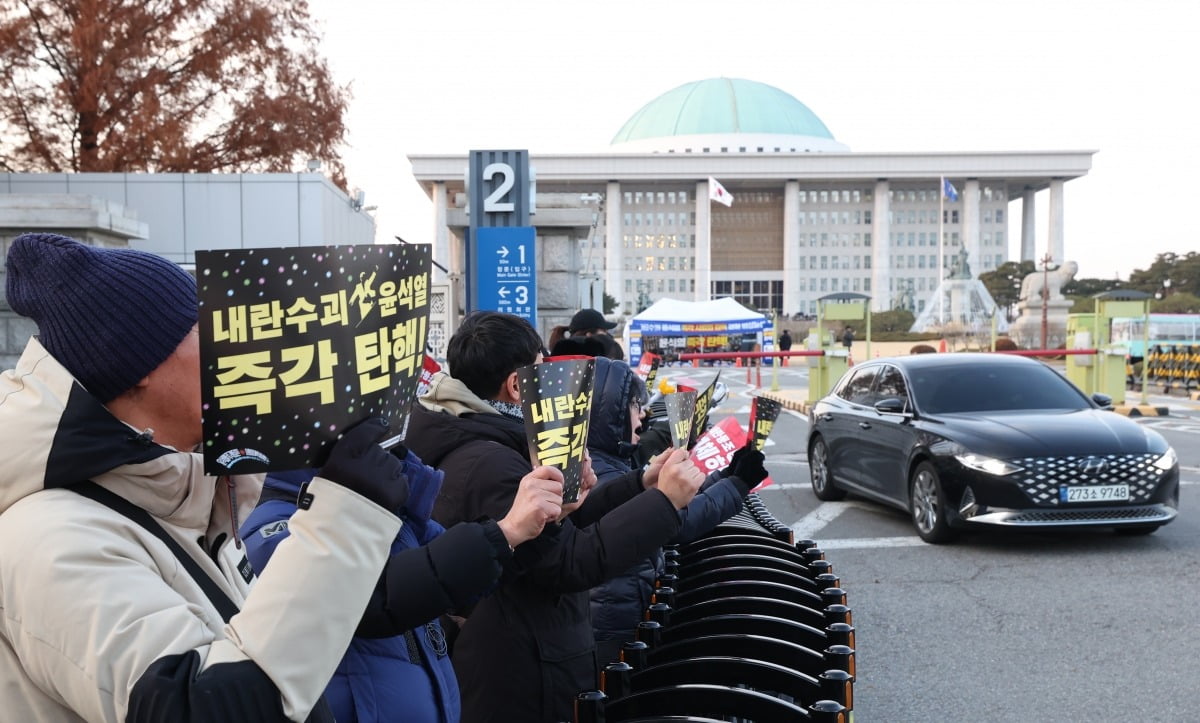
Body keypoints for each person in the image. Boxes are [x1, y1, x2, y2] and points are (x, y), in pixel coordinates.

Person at [0, 233, 563, 722]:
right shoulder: (51, 537)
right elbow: (200, 707)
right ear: (138, 367)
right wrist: (348, 512)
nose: (235, 355)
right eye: (204, 333)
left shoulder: (184, 498)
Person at [404, 311, 705, 723]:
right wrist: (665, 502)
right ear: (516, 385)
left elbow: (557, 528)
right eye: (542, 368)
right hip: (522, 672)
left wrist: (641, 484)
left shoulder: (482, 439)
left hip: (520, 659)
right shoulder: (492, 463)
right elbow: (568, 562)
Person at [240, 450, 564, 723]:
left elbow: (460, 574)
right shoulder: (272, 520)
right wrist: (507, 531)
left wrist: (542, 520)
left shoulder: (384, 507)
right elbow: (366, 600)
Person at [585, 356, 767, 666]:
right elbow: (673, 521)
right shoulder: (604, 472)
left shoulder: (608, 462)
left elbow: (669, 507)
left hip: (621, 602)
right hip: (614, 613)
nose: (642, 415)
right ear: (610, 415)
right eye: (634, 406)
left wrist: (724, 478)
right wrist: (735, 484)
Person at [548, 308, 624, 360]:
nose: (607, 335)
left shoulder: (560, 357)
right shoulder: (595, 363)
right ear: (589, 335)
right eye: (604, 331)